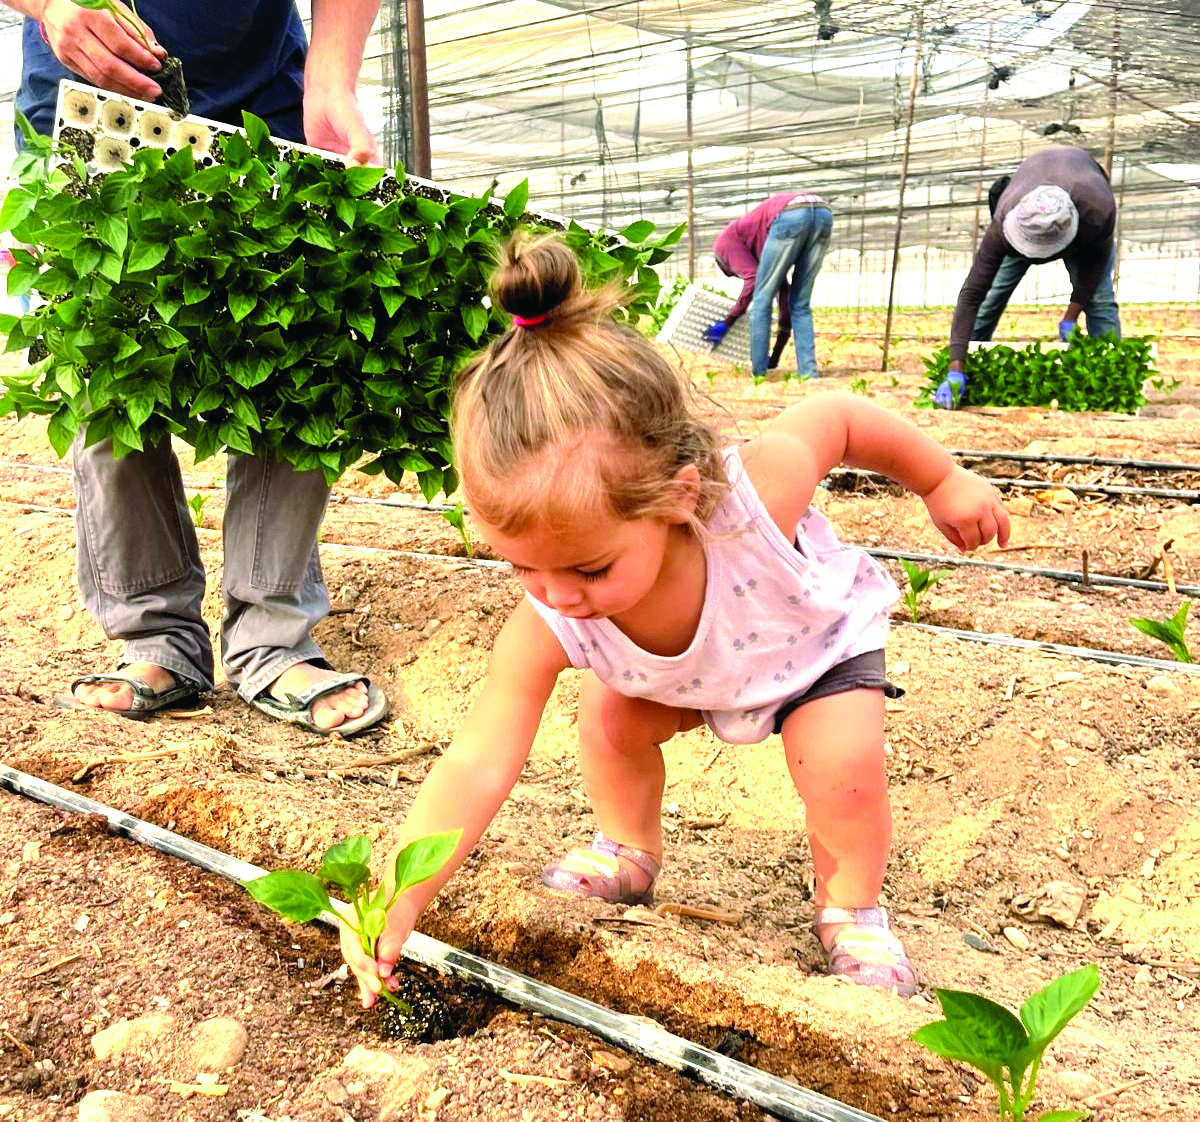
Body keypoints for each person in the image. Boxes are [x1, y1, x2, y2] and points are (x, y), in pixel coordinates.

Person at [339, 233, 1010, 1006]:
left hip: (811, 649)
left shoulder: (755, 499)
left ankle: (852, 908)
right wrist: (398, 893)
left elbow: (837, 417)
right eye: (522, 565)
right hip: (688, 676)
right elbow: (478, 761)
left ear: (678, 497)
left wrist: (943, 480)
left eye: (589, 568)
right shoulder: (548, 616)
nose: (555, 594)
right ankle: (628, 845)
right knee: (610, 717)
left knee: (842, 766)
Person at [5, 0, 390, 735]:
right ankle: (156, 636)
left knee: (292, 354)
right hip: (90, 74)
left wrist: (332, 76)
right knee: (108, 359)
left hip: (269, 91)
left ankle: (272, 638)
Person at [935, 147, 1120, 409]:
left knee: (1100, 300)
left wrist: (1071, 315)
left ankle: (1111, 382)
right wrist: (955, 366)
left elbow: (1094, 270)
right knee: (991, 297)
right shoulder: (1004, 224)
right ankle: (965, 371)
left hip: (1082, 220)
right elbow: (972, 294)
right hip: (1028, 206)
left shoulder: (1096, 210)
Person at [703, 192, 833, 380]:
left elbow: (754, 279)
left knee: (761, 301)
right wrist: (776, 355)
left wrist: (728, 321)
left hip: (790, 214)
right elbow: (785, 304)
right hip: (823, 213)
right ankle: (809, 374)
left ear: (725, 264)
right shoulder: (758, 245)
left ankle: (758, 373)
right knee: (800, 305)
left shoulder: (724, 245)